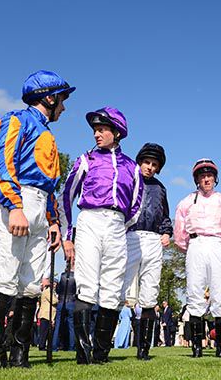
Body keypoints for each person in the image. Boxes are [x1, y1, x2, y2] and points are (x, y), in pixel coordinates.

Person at [0, 70, 75, 369]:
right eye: (61, 99)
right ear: (49, 97)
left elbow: (50, 183)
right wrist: (15, 206)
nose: (63, 106)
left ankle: (20, 355)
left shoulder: (48, 133)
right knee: (5, 279)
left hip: (40, 207)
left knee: (32, 285)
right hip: (16, 200)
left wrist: (53, 221)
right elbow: (2, 163)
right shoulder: (15, 120)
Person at [59, 107, 143, 365]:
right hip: (90, 220)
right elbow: (67, 195)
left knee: (112, 287)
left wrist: (119, 223)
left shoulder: (132, 166)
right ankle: (83, 354)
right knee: (86, 283)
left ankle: (101, 354)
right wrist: (68, 234)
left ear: (116, 132)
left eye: (102, 129)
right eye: (95, 130)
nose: (97, 134)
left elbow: (136, 205)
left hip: (118, 224)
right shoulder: (86, 159)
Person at [174, 159, 221, 358]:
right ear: (196, 179)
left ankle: (220, 347)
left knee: (219, 292)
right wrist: (192, 248)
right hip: (195, 245)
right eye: (202, 176)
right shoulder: (186, 201)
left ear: (215, 178)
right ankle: (197, 347)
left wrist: (220, 247)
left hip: (217, 245)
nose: (206, 179)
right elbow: (179, 234)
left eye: (209, 175)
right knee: (194, 293)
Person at [120, 142, 173, 360]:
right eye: (146, 162)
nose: (150, 167)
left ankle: (144, 350)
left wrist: (167, 232)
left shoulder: (160, 188)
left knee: (150, 292)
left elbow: (165, 214)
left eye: (154, 164)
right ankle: (102, 345)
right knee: (119, 286)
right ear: (139, 162)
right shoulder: (129, 180)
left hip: (153, 239)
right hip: (130, 236)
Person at [52, 264, 76, 351]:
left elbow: (58, 289)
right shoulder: (75, 277)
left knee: (58, 325)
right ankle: (71, 346)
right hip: (71, 302)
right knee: (71, 326)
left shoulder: (61, 276)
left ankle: (54, 346)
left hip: (61, 301)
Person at [38, 280, 57, 351]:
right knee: (44, 332)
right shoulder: (48, 291)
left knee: (46, 331)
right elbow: (54, 301)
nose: (55, 286)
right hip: (46, 314)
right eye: (54, 284)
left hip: (48, 314)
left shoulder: (50, 291)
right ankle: (41, 346)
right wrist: (59, 299)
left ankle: (43, 345)